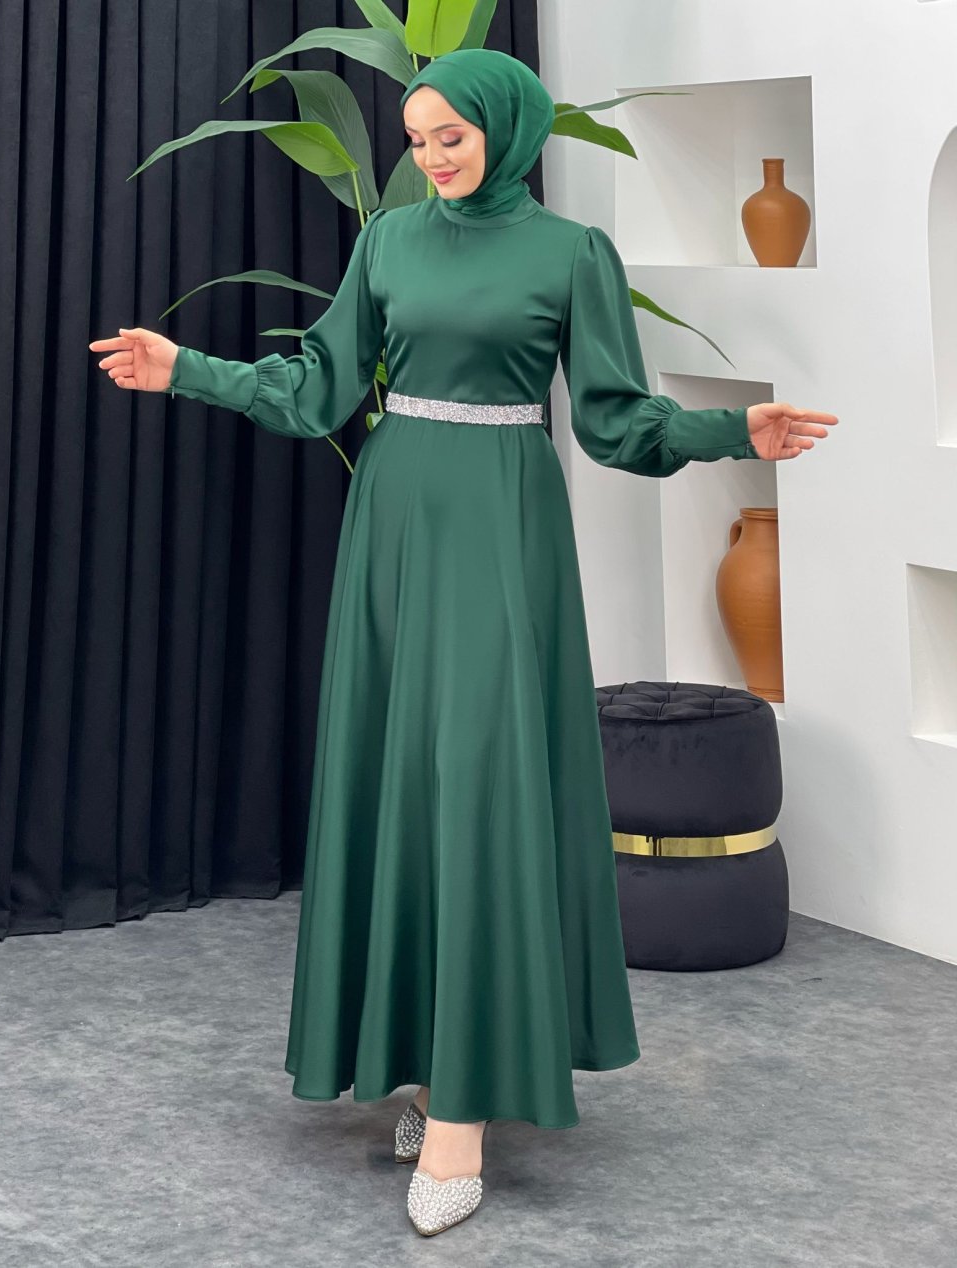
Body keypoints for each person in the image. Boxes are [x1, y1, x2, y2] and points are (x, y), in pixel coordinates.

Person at [89, 47, 838, 1237]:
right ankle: (432, 1066)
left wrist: (725, 428)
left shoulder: (569, 253)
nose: (431, 157)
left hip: (501, 524)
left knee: (481, 786)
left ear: (505, 129)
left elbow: (614, 420)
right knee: (408, 785)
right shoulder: (388, 241)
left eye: (451, 135)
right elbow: (318, 388)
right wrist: (189, 370)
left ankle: (462, 1114)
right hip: (395, 522)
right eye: (417, 138)